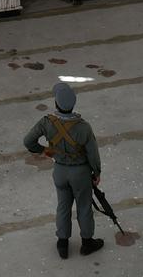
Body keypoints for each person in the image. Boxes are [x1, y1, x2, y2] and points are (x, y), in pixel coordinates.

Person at [23, 82, 104, 259]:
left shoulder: (47, 122)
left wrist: (47, 151)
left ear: (56, 104)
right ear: (73, 104)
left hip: (59, 171)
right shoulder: (83, 127)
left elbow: (28, 141)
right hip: (80, 173)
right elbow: (93, 154)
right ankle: (87, 243)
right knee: (84, 207)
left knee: (63, 206)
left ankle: (62, 244)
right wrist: (96, 173)